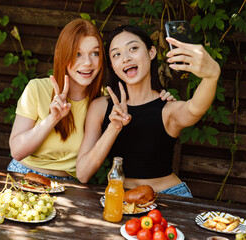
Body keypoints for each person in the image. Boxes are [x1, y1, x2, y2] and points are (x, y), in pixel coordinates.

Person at [7, 20, 174, 180]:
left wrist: (160, 100)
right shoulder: (38, 88)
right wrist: (53, 118)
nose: (87, 63)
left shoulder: (103, 101)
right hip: (24, 174)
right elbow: (17, 151)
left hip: (69, 186)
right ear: (63, 57)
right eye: (77, 54)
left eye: (95, 53)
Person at [76, 25, 220, 197]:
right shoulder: (100, 107)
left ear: (151, 53)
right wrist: (114, 127)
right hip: (121, 198)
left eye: (133, 48)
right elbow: (83, 174)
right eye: (116, 54)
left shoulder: (167, 109)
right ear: (112, 66)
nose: (126, 58)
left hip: (169, 197)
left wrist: (211, 76)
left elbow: (195, 108)